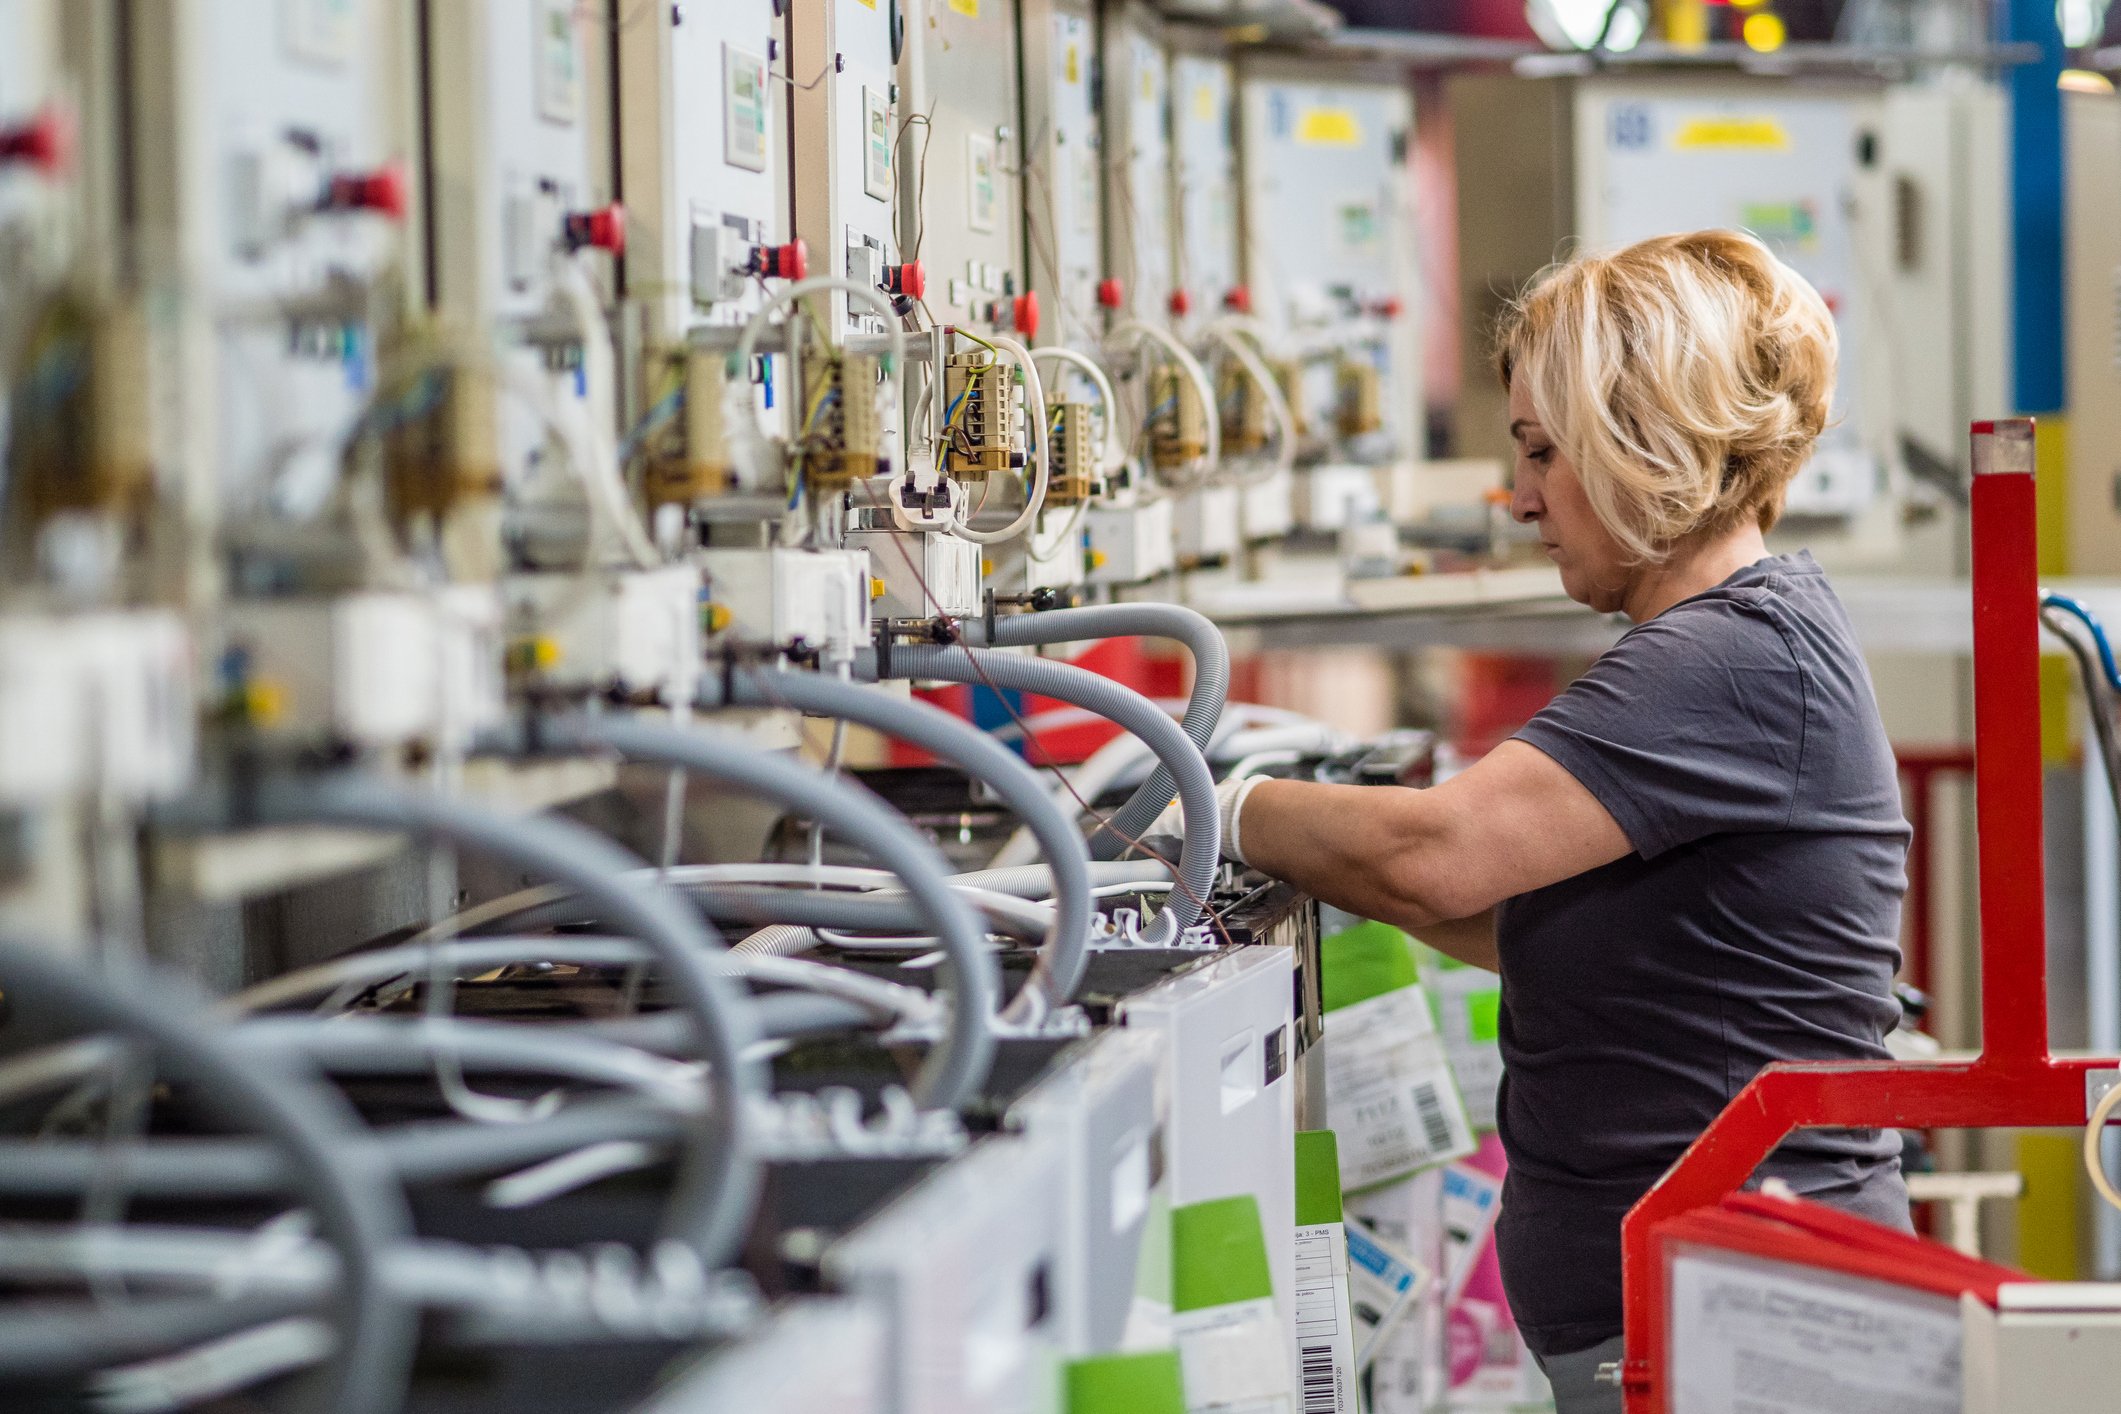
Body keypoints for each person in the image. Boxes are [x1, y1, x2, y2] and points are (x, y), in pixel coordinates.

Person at [1211, 231, 1913, 1412]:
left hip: (1751, 1327)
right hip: (1704, 1317)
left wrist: (1215, 805)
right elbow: (1509, 908)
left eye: (1543, 451)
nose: (1520, 494)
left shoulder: (1735, 655)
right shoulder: (1728, 641)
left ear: (1646, 442)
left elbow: (1435, 858)